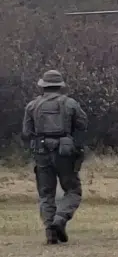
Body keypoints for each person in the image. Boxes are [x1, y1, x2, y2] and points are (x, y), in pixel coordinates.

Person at [22, 70, 88, 245]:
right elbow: (83, 124)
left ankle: (50, 229)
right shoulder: (70, 103)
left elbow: (26, 132)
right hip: (65, 153)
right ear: (60, 86)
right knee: (73, 190)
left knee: (46, 193)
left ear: (43, 86)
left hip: (41, 152)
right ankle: (60, 219)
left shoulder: (32, 106)